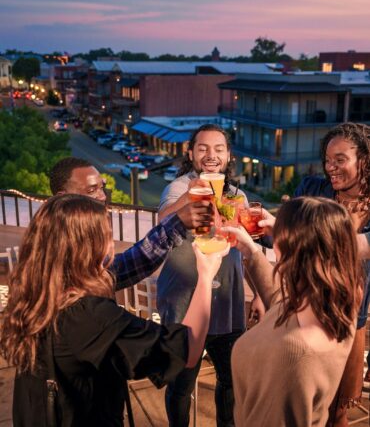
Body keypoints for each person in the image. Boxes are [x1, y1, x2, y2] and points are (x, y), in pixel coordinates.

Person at [0, 194, 228, 426]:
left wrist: (176, 222)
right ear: (86, 247)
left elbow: (133, 262)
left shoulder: (37, 288)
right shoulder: (89, 316)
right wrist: (206, 276)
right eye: (106, 236)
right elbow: (185, 349)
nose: (111, 245)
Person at [223, 197, 363, 427]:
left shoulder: (291, 355)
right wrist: (250, 250)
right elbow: (281, 302)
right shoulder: (340, 302)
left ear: (294, 251)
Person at [157, 124, 254, 427]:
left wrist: (261, 295)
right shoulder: (179, 187)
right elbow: (163, 220)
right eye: (203, 148)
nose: (211, 155)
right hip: (185, 305)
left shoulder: (238, 196)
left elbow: (247, 248)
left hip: (228, 305)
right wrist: (197, 190)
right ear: (191, 153)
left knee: (230, 383)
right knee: (181, 384)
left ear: (228, 155)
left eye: (218, 149)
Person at [294, 122, 370, 427]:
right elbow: (285, 238)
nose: (330, 168)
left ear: (365, 160)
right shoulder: (313, 189)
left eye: (340, 159)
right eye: (328, 160)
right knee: (303, 404)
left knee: (338, 409)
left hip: (349, 323)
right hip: (304, 312)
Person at [49, 157, 215, 291]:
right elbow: (116, 273)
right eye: (92, 190)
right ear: (61, 197)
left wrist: (176, 223)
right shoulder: (60, 247)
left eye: (102, 188)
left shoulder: (70, 234)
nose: (102, 196)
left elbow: (121, 268)